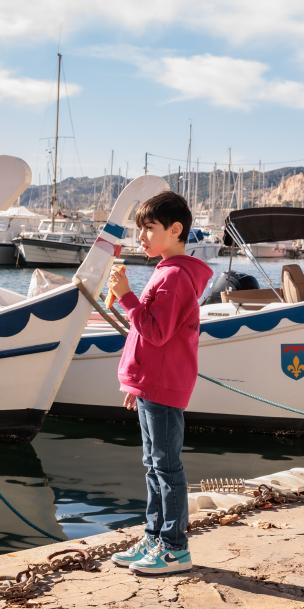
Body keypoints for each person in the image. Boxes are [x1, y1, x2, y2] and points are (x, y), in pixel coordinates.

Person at [108, 191, 213, 575]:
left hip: (165, 385)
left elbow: (154, 332)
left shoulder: (173, 276)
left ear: (175, 229)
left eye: (149, 229)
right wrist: (138, 385)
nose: (142, 238)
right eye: (141, 230)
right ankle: (154, 537)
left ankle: (174, 548)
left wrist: (125, 297)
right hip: (154, 385)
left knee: (166, 466)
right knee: (153, 464)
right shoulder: (167, 271)